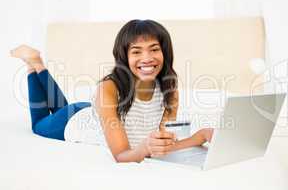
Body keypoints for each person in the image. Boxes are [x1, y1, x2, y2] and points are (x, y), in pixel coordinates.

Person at [11, 19, 213, 163]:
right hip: (73, 123)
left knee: (60, 106)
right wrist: (145, 149)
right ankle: (33, 65)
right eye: (136, 51)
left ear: (165, 52)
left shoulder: (169, 88)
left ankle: (37, 64)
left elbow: (162, 145)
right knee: (38, 125)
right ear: (124, 56)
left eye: (154, 49)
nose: (147, 58)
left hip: (90, 111)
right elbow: (122, 155)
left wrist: (200, 136)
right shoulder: (109, 87)